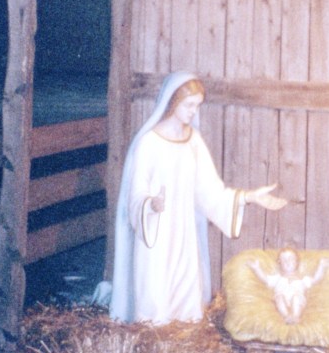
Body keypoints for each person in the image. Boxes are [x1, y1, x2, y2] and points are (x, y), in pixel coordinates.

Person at [109, 72, 287, 325]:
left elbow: (211, 191)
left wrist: (249, 198)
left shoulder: (193, 141)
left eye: (197, 105)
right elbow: (135, 194)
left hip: (184, 233)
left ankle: (182, 331)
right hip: (155, 235)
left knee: (184, 301)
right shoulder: (149, 143)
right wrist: (151, 204)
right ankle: (152, 333)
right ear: (172, 102)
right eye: (189, 105)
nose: (194, 111)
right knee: (155, 298)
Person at [247, 248, 329, 324]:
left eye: (291, 259)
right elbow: (265, 279)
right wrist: (256, 268)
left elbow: (315, 280)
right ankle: (286, 316)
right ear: (279, 263)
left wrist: (321, 267)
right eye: (284, 260)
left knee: (296, 298)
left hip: (298, 299)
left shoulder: (302, 279)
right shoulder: (277, 278)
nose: (287, 262)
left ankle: (295, 316)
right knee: (279, 298)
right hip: (282, 298)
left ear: (297, 262)